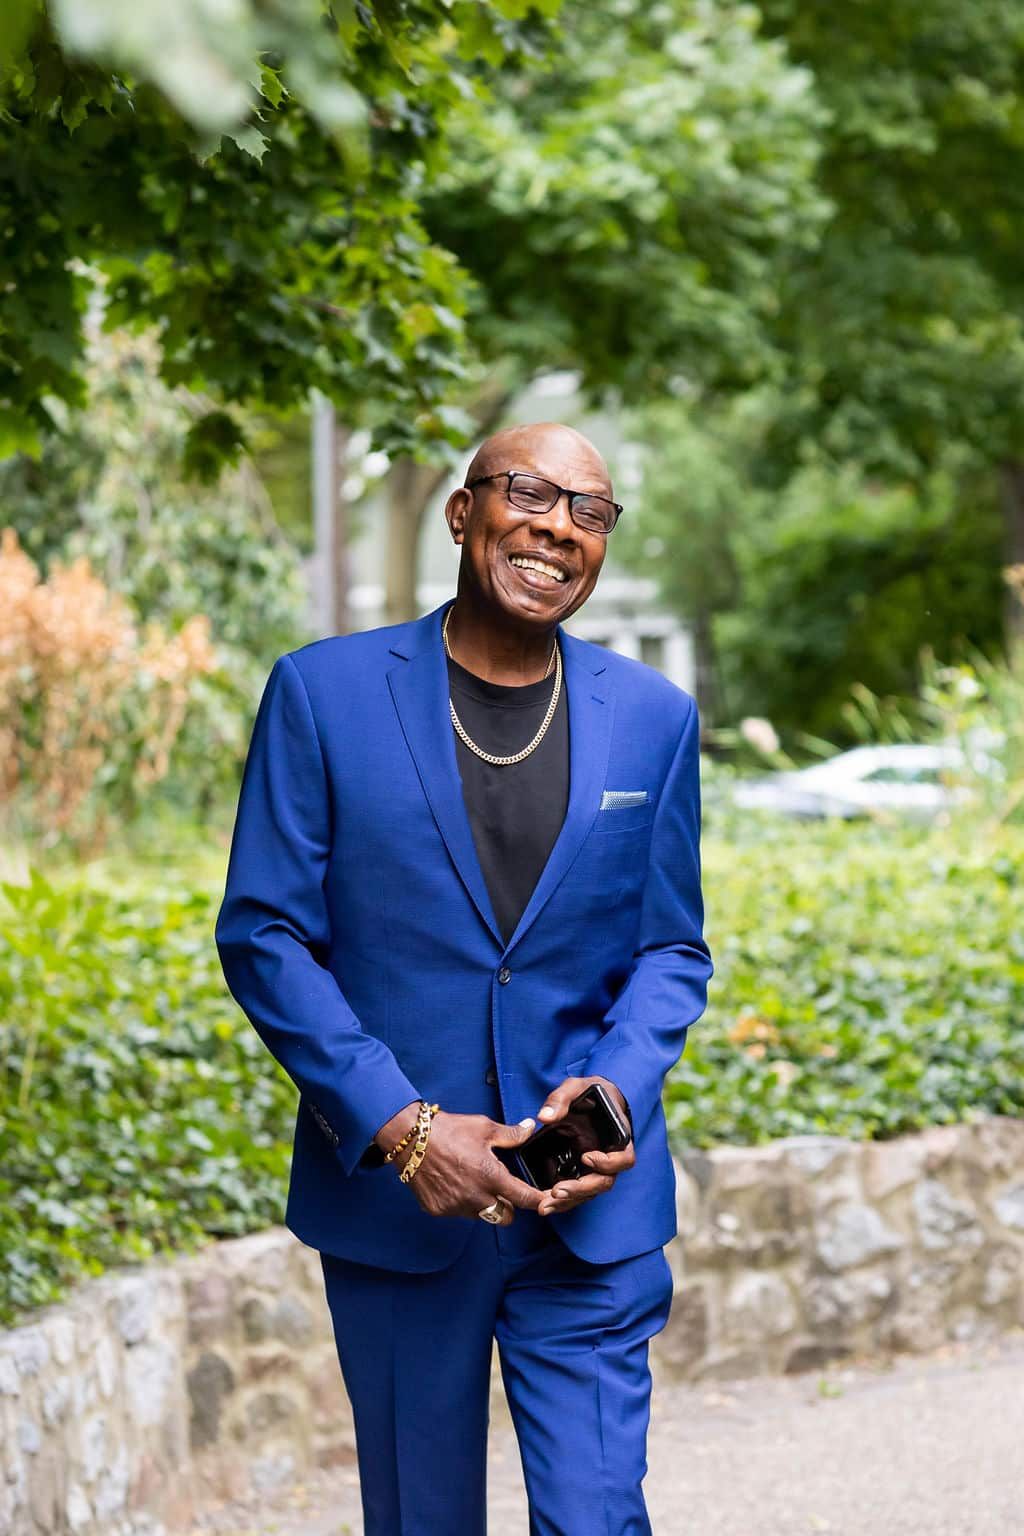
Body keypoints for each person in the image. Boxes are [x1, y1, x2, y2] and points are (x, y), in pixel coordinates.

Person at [215, 420, 713, 1535]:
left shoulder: (654, 720)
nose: (556, 527)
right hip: (400, 1207)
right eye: (528, 493)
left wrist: (613, 1091)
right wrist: (399, 1124)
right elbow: (265, 936)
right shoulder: (320, 694)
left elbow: (671, 949)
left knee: (596, 1521)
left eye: (589, 511)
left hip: (587, 1214)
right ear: (461, 512)